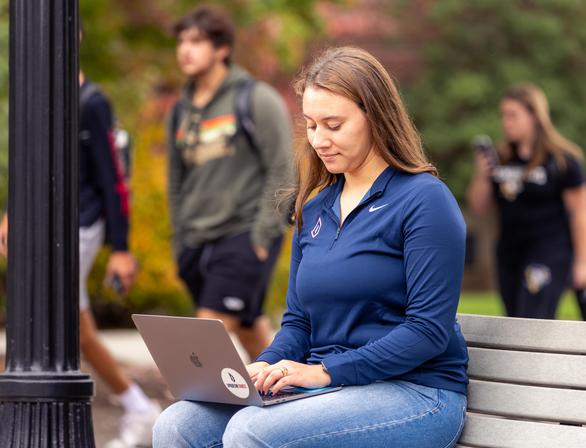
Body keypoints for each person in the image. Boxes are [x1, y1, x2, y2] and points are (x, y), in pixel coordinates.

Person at [153, 46, 468, 448]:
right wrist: (263, 366)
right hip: (334, 387)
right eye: (312, 125)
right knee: (179, 424)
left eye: (333, 125)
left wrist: (324, 372)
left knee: (251, 432)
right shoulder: (315, 207)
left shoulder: (424, 201)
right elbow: (299, 323)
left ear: (376, 117)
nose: (319, 140)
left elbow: (427, 331)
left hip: (417, 393)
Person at [0, 24, 160, 448]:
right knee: (76, 327)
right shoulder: (34, 94)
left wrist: (122, 249)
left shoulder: (92, 103)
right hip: (42, 224)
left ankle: (136, 405)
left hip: (81, 224)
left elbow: (114, 181)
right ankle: (138, 406)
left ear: (75, 38)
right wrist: (10, 212)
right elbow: (27, 163)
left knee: (60, 317)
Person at [167, 6, 293, 361]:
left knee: (205, 342)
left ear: (222, 49)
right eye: (181, 41)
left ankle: (192, 414)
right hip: (195, 241)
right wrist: (180, 242)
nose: (184, 50)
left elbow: (283, 168)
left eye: (196, 41)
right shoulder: (181, 109)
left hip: (243, 235)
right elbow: (176, 180)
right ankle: (290, 400)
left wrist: (264, 233)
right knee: (250, 329)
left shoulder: (255, 98)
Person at [467, 83, 586, 319]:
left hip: (548, 251)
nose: (506, 122)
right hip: (510, 252)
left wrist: (584, 261)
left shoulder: (562, 160)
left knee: (533, 316)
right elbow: (479, 206)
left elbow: (581, 213)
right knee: (516, 320)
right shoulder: (503, 158)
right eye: (504, 115)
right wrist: (483, 176)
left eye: (513, 115)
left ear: (534, 116)